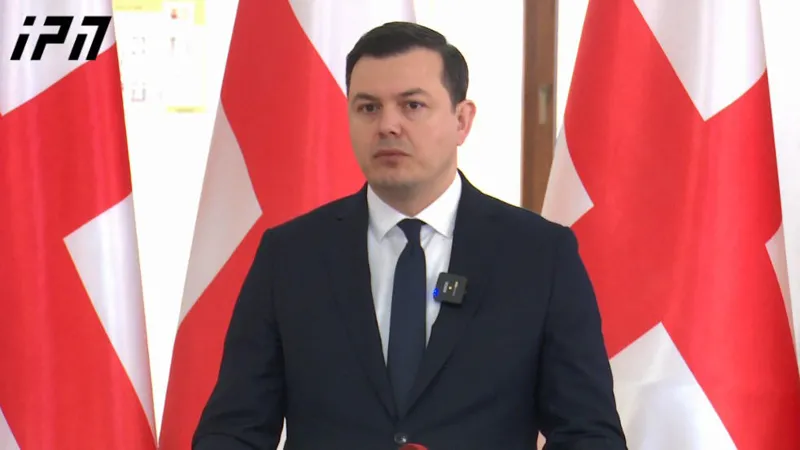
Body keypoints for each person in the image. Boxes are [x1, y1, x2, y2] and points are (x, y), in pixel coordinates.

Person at [192, 21, 627, 450]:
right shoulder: (291, 255)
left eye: (412, 105)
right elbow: (234, 431)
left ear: (462, 120)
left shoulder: (539, 255)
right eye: (368, 108)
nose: (388, 125)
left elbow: (589, 434)